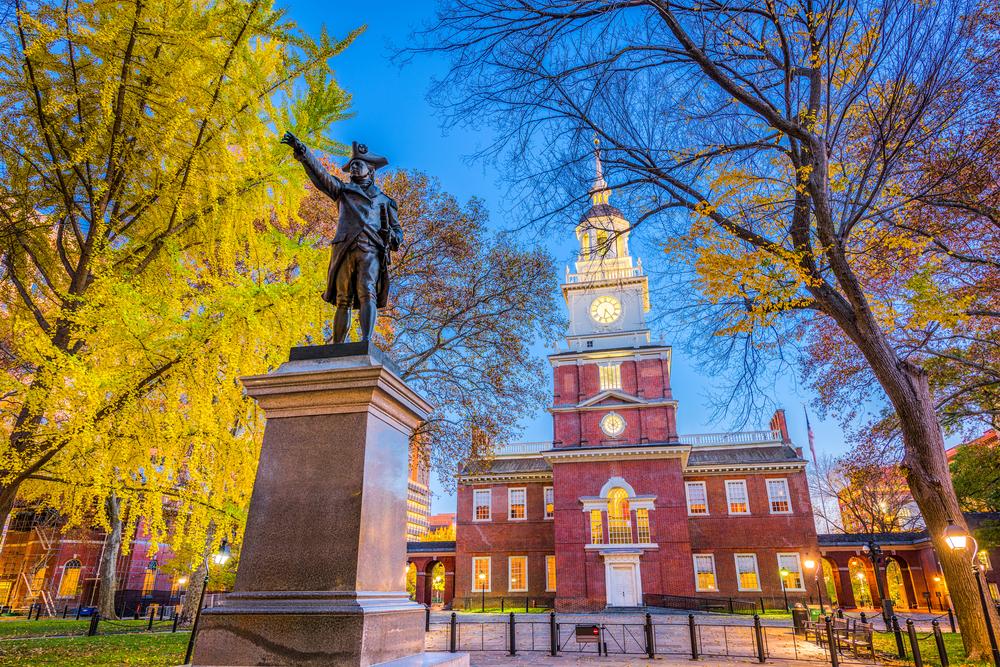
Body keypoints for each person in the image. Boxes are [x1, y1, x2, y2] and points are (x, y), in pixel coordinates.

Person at [281, 131, 402, 342]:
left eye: (359, 164)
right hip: (344, 248)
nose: (354, 167)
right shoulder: (342, 190)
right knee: (343, 298)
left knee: (367, 292)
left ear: (370, 170)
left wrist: (393, 236)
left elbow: (397, 231)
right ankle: (337, 345)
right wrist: (303, 152)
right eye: (352, 164)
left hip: (370, 249)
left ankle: (365, 341)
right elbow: (322, 176)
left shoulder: (385, 201)